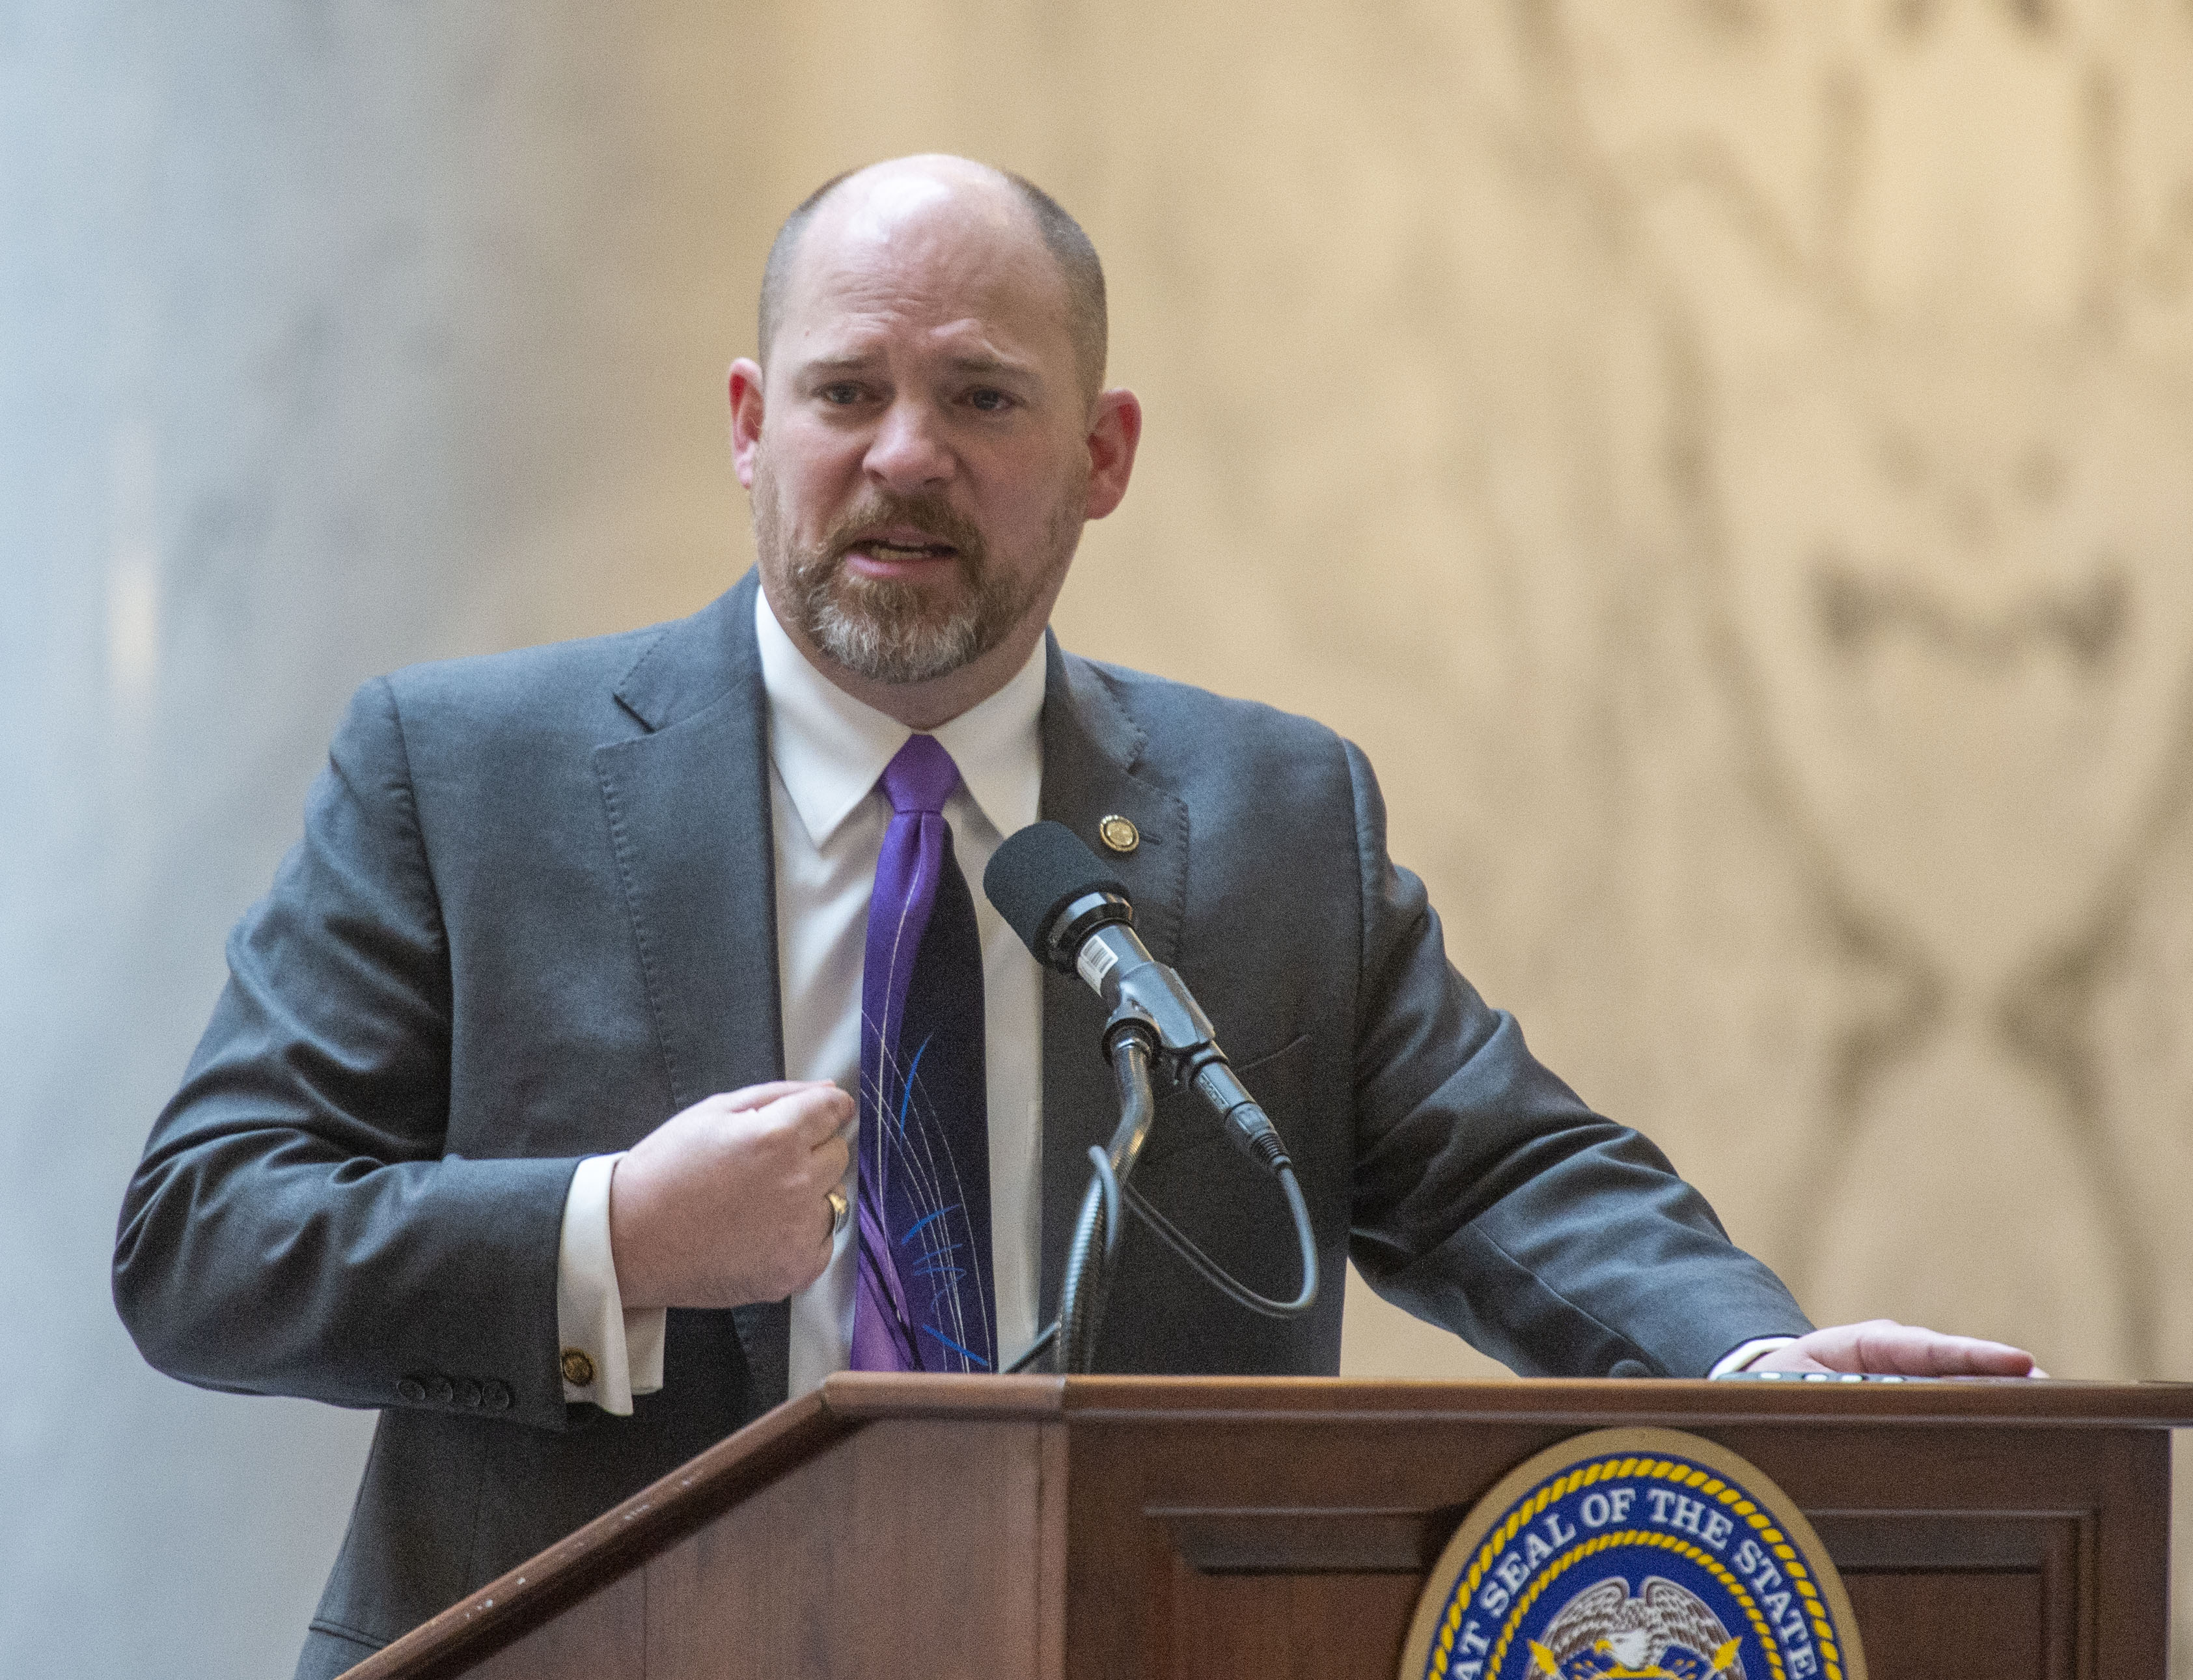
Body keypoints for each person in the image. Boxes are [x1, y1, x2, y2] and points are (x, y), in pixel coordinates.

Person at [113, 155, 2036, 1679]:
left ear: (1102, 455)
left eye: (981, 397)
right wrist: (609, 1235)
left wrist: (1755, 1372)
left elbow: (1499, 1172)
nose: (905, 455)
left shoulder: (1270, 814)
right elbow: (204, 1232)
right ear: (749, 424)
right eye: (846, 392)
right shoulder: (468, 774)